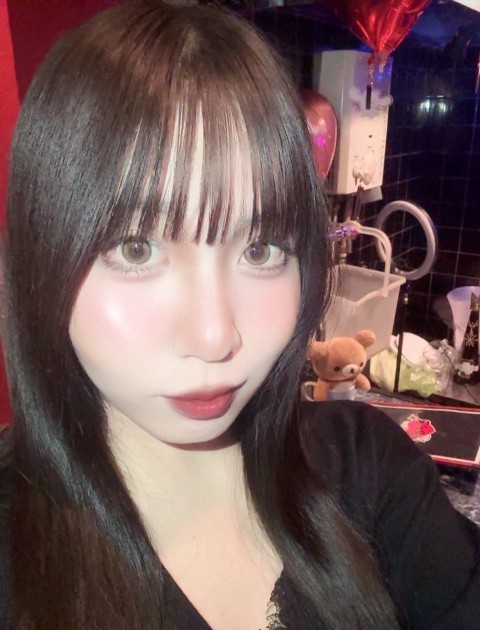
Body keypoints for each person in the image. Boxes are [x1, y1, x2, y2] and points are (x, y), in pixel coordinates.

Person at [0, 1, 478, 628]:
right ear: (41, 255)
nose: (215, 337)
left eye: (260, 249)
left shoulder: (364, 467)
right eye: (137, 249)